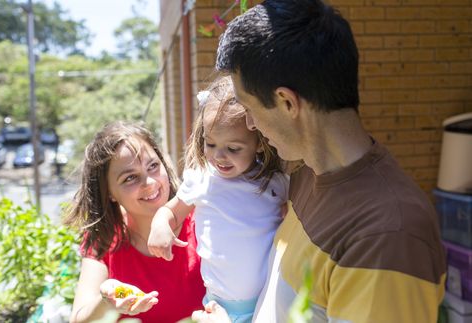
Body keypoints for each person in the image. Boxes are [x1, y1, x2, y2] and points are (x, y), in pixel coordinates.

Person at [192, 0, 447, 322]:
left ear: (286, 102)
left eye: (250, 109)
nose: (251, 125)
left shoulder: (388, 235)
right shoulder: (302, 177)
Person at [148, 76, 289, 323]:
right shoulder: (202, 179)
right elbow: (170, 211)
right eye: (210, 144)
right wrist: (160, 225)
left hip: (269, 300)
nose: (219, 156)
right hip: (218, 304)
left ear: (259, 142)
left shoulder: (275, 183)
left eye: (233, 149)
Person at [63, 121, 205, 323]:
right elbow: (79, 320)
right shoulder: (106, 237)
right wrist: (106, 302)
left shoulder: (203, 218)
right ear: (109, 192)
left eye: (153, 166)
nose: (150, 183)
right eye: (130, 178)